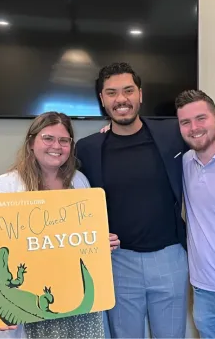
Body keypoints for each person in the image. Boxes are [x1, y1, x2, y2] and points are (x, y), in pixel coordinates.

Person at [75, 62, 189, 338]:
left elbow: (209, 145)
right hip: (117, 262)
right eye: (111, 93)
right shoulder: (87, 149)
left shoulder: (174, 134)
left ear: (140, 94)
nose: (121, 99)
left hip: (170, 258)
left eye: (128, 90)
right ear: (102, 100)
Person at [0, 111, 119, 338]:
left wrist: (101, 242)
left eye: (64, 140)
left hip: (74, 299)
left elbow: (83, 239)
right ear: (31, 143)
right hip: (31, 305)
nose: (57, 146)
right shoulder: (5, 188)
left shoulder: (79, 182)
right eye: (48, 138)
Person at [176, 90, 215, 338]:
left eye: (201, 118)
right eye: (185, 122)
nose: (194, 127)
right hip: (203, 294)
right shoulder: (184, 163)